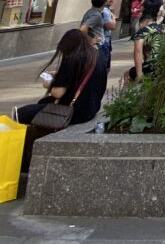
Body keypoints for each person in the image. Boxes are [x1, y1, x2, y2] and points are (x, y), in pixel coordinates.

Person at [16, 28, 108, 169]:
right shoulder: (97, 55)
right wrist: (59, 75)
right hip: (91, 108)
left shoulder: (72, 58)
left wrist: (49, 83)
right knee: (42, 103)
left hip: (74, 111)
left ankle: (19, 158)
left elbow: (58, 93)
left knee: (20, 114)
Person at [128, 11, 163, 82]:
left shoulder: (143, 31)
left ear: (142, 23)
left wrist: (139, 74)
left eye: (140, 25)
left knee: (128, 74)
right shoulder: (163, 28)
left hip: (153, 66)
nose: (140, 27)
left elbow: (138, 50)